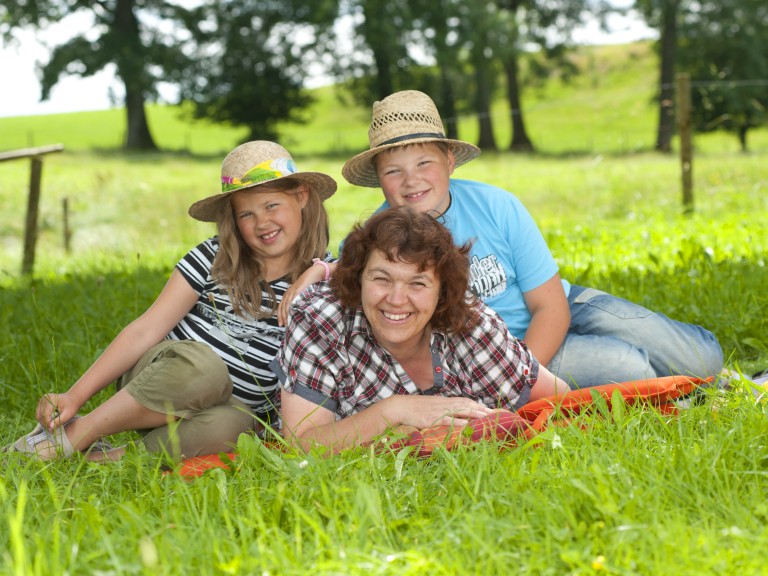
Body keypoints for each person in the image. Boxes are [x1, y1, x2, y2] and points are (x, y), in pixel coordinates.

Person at [279, 90, 724, 389]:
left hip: (561, 311)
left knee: (701, 360)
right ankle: (676, 389)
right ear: (378, 180)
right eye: (393, 171)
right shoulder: (381, 234)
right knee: (628, 367)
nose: (411, 181)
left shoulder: (497, 206)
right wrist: (319, 269)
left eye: (424, 163)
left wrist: (526, 370)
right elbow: (353, 271)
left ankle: (711, 378)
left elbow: (551, 305)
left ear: (450, 160)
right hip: (500, 350)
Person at [4, 140, 336, 461]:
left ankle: (109, 457)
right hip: (168, 379)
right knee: (206, 369)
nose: (262, 222)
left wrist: (320, 272)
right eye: (246, 214)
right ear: (233, 220)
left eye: (271, 205)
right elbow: (146, 329)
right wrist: (74, 395)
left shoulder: (324, 279)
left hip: (221, 409)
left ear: (302, 196)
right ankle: (82, 432)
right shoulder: (213, 257)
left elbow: (363, 269)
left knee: (236, 427)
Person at [274, 207, 568, 451]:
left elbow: (561, 400)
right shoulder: (320, 320)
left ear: (442, 291)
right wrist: (395, 410)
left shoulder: (468, 322)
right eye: (381, 279)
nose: (396, 299)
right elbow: (300, 443)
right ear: (358, 278)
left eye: (418, 283)